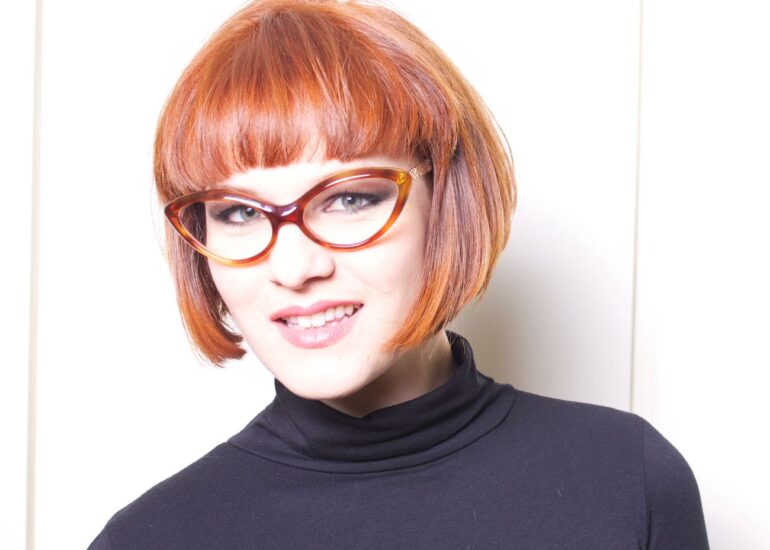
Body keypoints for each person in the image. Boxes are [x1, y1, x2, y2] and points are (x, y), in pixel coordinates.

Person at [88, 1, 709, 548]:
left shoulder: (626, 479)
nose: (295, 267)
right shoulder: (148, 539)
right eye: (240, 212)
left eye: (349, 199)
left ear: (448, 202)